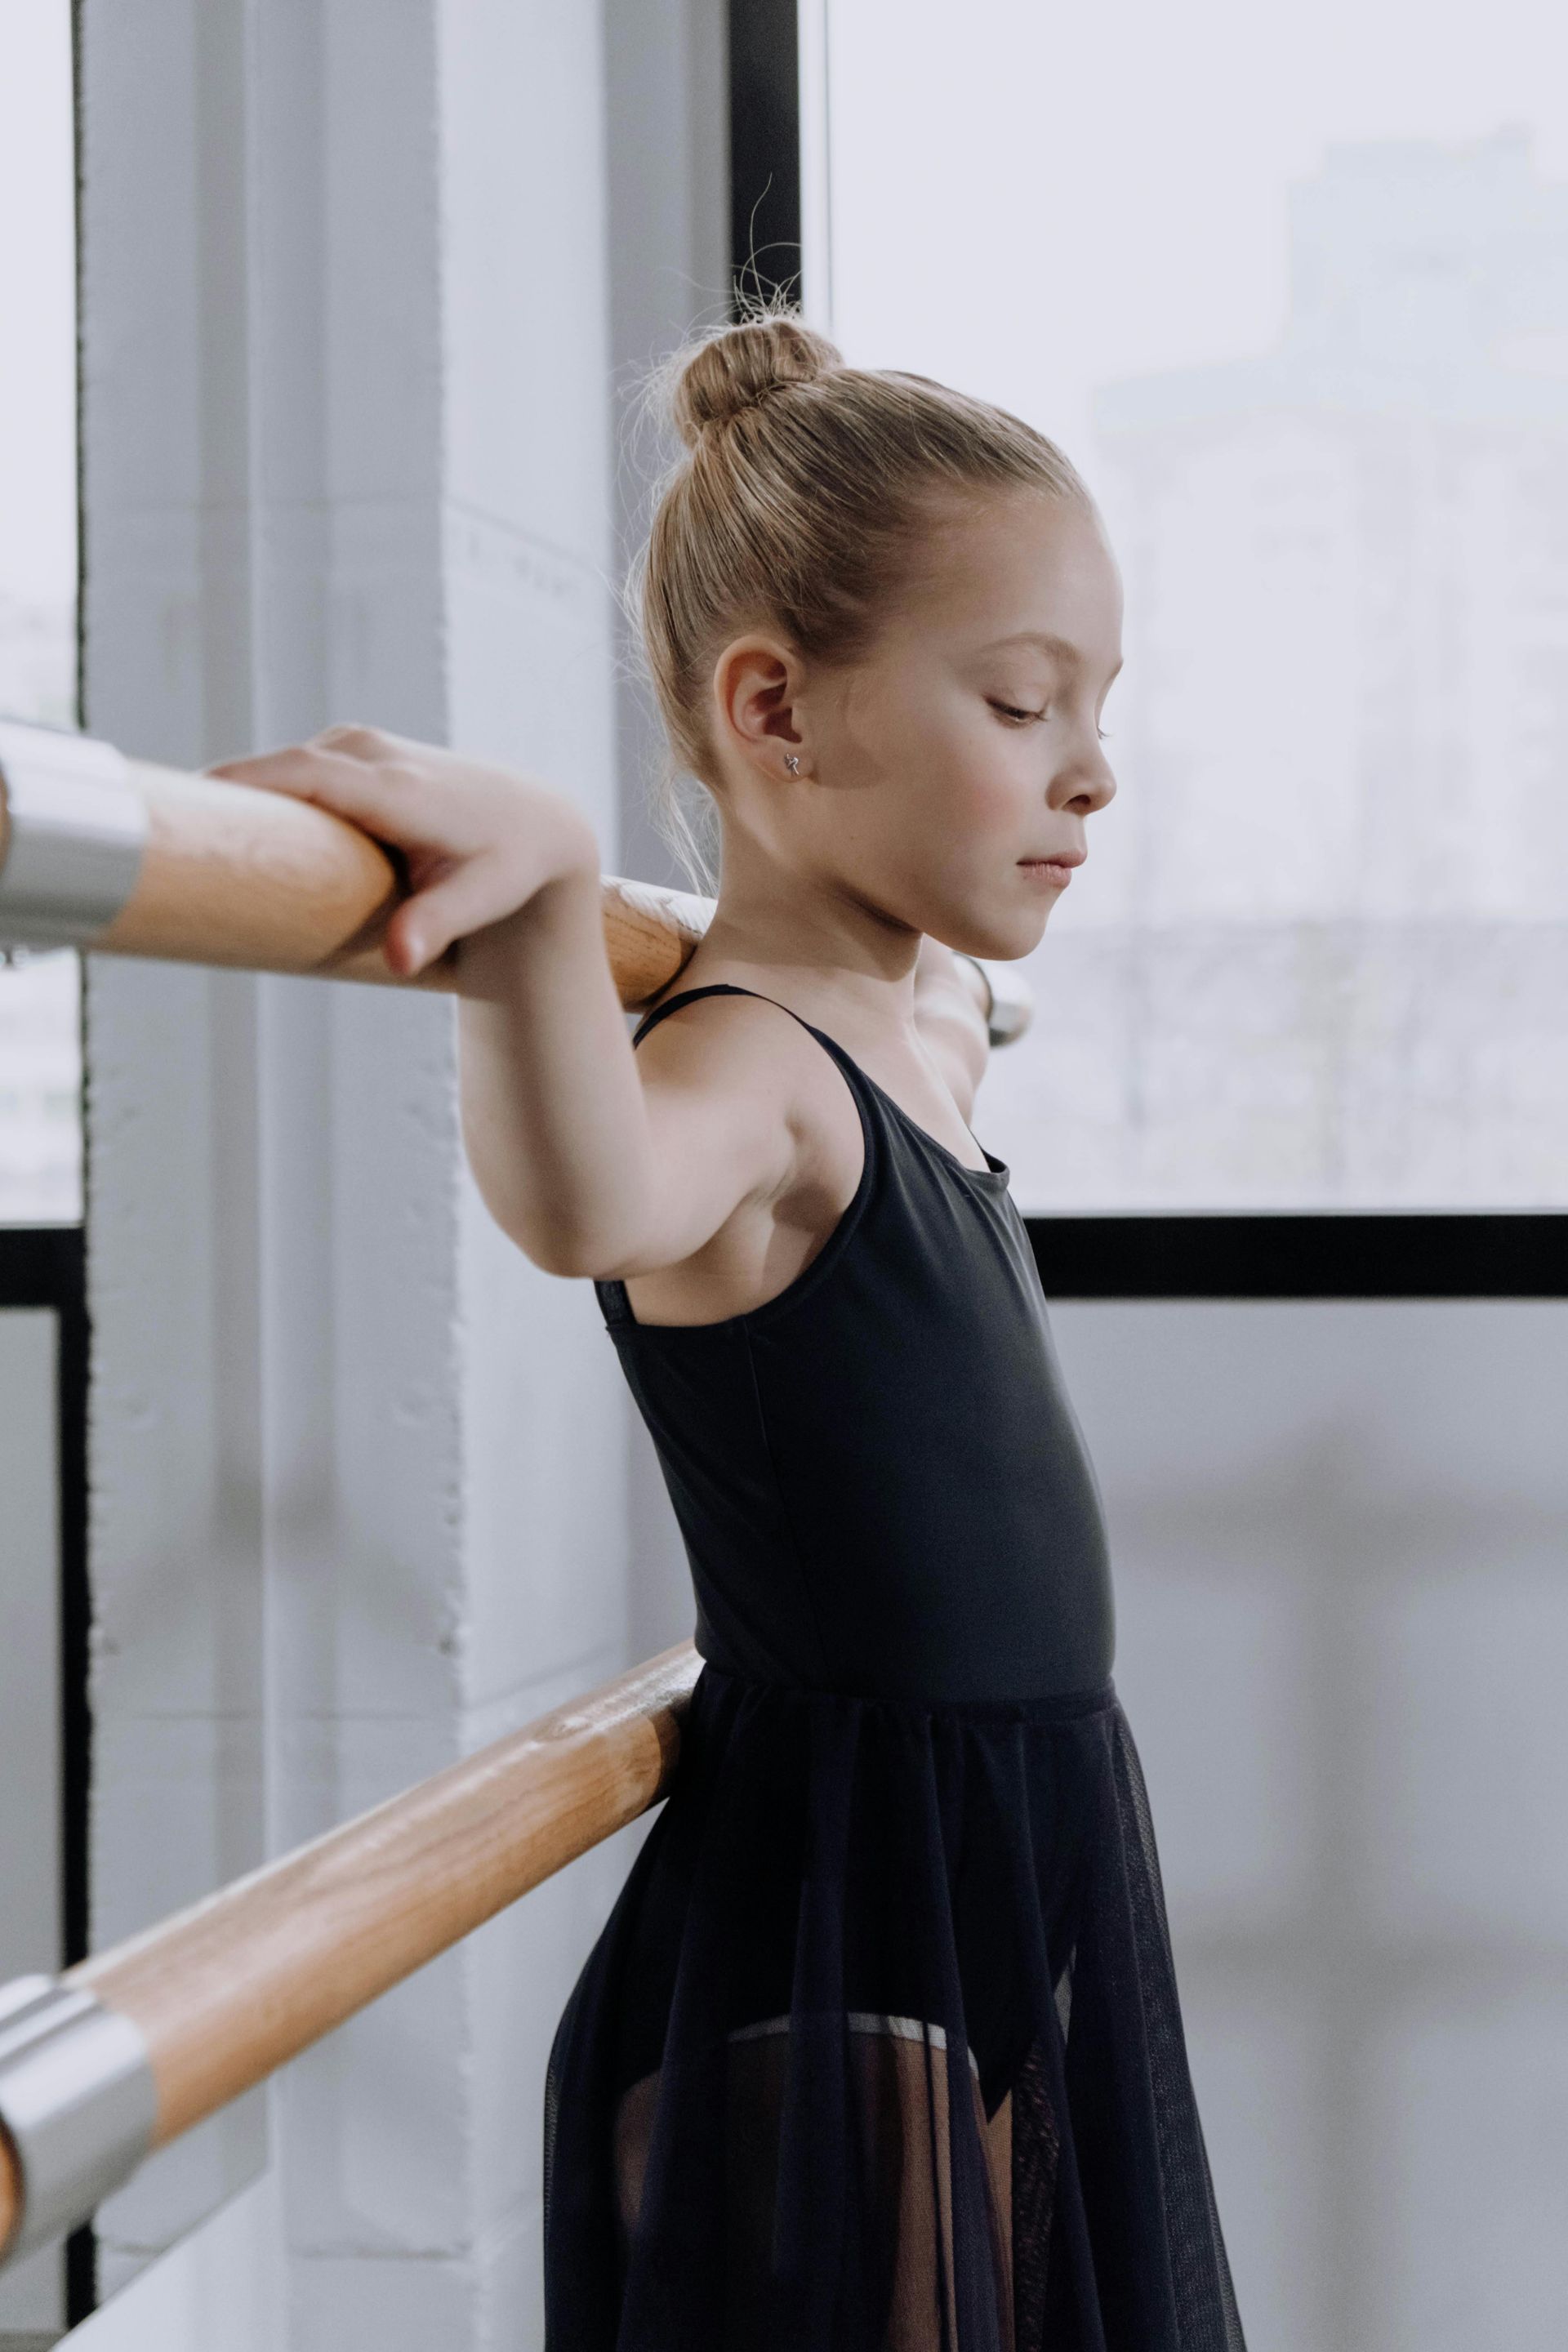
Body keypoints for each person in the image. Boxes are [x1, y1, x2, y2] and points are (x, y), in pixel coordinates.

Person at [214, 310, 1245, 2350]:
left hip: (1012, 1848)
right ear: (772, 708)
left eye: (1097, 705)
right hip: (846, 1895)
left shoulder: (929, 1021)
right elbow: (588, 1202)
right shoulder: (753, 1076)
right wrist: (538, 900)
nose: (1095, 770)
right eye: (1024, 702)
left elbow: (914, 990)